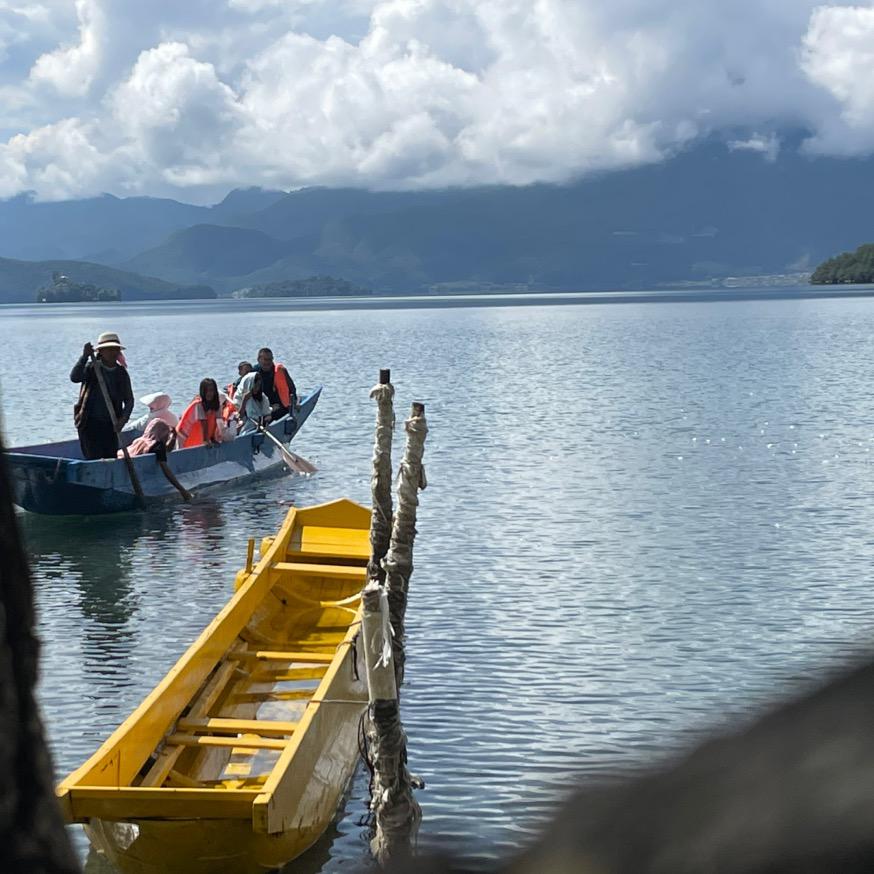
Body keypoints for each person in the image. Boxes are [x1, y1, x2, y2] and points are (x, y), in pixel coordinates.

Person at [70, 332, 134, 460]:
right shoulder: (92, 368)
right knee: (93, 457)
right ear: (101, 352)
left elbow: (129, 400)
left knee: (110, 457)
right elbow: (75, 377)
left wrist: (123, 419)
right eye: (109, 349)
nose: (113, 352)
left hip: (111, 424)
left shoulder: (121, 373)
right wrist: (84, 357)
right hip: (89, 423)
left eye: (115, 349)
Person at [176, 379, 222, 448]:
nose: (209, 393)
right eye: (207, 391)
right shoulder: (198, 404)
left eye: (212, 390)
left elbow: (216, 422)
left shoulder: (216, 404)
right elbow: (204, 423)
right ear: (203, 392)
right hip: (184, 435)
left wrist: (212, 438)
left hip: (197, 433)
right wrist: (206, 441)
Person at [253, 348, 297, 419]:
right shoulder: (253, 371)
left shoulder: (280, 371)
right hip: (262, 406)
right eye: (265, 359)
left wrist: (295, 402)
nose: (268, 362)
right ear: (259, 359)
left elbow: (292, 388)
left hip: (279, 406)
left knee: (277, 412)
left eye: (270, 359)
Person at [235, 371, 272, 436]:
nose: (257, 389)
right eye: (255, 386)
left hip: (257, 426)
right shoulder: (238, 397)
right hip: (243, 427)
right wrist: (245, 400)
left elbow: (268, 415)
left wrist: (262, 420)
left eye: (258, 386)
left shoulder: (262, 398)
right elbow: (239, 416)